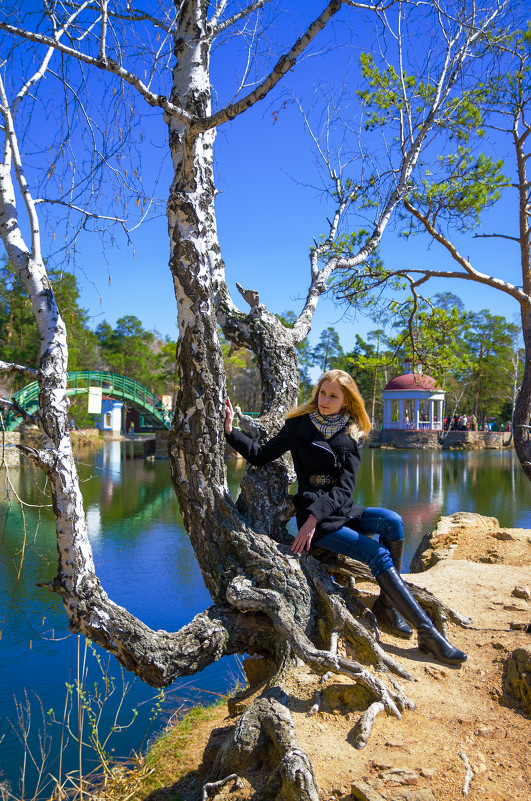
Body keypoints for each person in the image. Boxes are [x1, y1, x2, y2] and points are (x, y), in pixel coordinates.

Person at [224, 370, 466, 667]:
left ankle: (388, 608)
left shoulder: (352, 433)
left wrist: (317, 517)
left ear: (346, 401)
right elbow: (261, 455)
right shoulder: (299, 425)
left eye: (333, 396)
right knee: (378, 554)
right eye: (322, 393)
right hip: (317, 520)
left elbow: (345, 489)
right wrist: (230, 432)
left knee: (393, 521)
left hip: (340, 510)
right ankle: (427, 634)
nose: (325, 400)